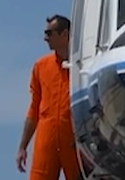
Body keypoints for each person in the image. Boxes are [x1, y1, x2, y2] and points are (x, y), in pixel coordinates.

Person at [15, 15, 82, 180]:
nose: (45, 38)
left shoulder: (82, 64)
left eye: (49, 33)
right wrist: (23, 146)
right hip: (46, 139)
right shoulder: (41, 67)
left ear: (65, 34)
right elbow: (33, 109)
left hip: (74, 140)